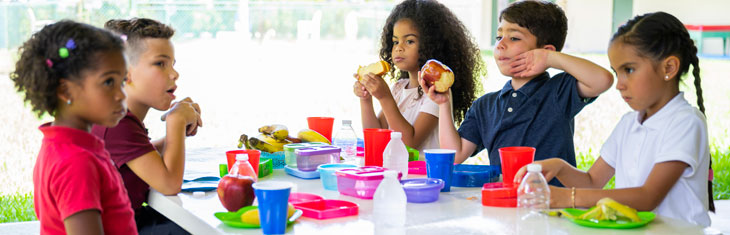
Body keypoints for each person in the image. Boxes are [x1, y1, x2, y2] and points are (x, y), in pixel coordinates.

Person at [514, 12, 712, 226]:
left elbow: (648, 197)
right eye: (617, 73)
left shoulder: (686, 122)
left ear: (669, 68)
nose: (619, 84)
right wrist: (560, 166)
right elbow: (592, 183)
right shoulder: (629, 123)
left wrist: (568, 197)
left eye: (629, 70)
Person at [421, 1, 613, 186]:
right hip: (505, 204)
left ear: (545, 51)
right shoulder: (485, 105)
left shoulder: (558, 91)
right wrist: (445, 104)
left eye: (514, 38)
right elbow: (454, 154)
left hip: (552, 206)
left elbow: (603, 79)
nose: (501, 45)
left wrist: (550, 59)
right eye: (499, 37)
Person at [11, 20, 136, 234]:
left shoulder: (62, 145)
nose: (121, 95)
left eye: (122, 82)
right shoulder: (76, 162)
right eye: (108, 82)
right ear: (66, 91)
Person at [92, 18, 201, 234]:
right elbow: (169, 184)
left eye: (172, 64)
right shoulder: (116, 122)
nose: (174, 74)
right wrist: (176, 122)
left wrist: (178, 136)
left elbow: (140, 156)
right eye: (160, 63)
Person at [354, 0, 484, 154]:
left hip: (424, 175)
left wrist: (384, 98)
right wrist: (366, 99)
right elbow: (376, 136)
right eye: (395, 41)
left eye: (409, 41)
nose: (399, 48)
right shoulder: (399, 87)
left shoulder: (435, 94)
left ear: (430, 45)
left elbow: (410, 143)